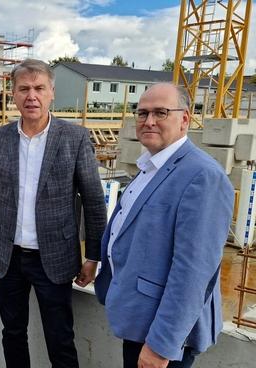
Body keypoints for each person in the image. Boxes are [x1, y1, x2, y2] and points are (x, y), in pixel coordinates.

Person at [0, 59, 107, 368]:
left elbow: (93, 200)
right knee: (13, 332)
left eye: (39, 88)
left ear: (51, 93)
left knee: (60, 337)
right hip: (8, 256)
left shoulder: (74, 138)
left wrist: (93, 256)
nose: (31, 96)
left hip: (56, 256)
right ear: (13, 94)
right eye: (24, 89)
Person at [94, 83, 234, 368]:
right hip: (140, 319)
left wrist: (161, 345)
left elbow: (193, 272)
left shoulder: (202, 176)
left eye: (161, 112)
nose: (149, 121)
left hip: (163, 336)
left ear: (184, 119)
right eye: (142, 113)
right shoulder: (151, 165)